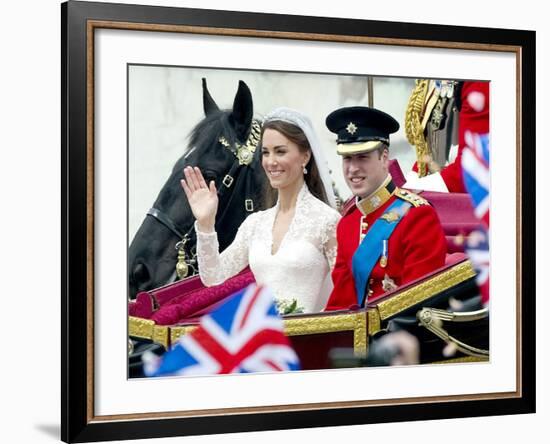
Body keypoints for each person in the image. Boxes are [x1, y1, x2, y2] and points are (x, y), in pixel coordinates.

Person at [180, 107, 340, 313]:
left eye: (280, 151)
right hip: (264, 340)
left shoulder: (327, 220)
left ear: (305, 156)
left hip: (310, 340)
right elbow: (213, 276)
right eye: (265, 152)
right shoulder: (255, 223)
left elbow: (343, 293)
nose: (271, 162)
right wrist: (205, 223)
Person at [324, 106, 447, 310]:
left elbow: (419, 303)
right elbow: (341, 304)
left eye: (362, 157)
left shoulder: (417, 215)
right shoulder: (347, 223)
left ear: (384, 157)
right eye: (347, 158)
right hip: (358, 338)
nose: (353, 169)